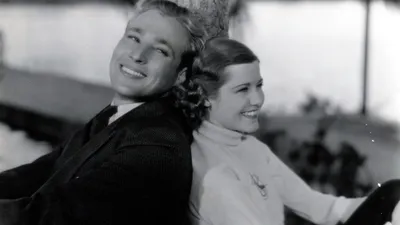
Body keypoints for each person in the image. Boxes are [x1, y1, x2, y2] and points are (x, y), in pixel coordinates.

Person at [0, 1, 207, 224]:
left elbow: (54, 216)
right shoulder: (121, 115)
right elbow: (44, 169)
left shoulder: (158, 146)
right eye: (134, 37)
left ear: (180, 75)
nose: (138, 55)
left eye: (160, 50)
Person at [171, 37, 400, 225]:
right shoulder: (215, 176)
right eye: (243, 90)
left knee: (394, 192)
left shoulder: (249, 147)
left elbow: (319, 207)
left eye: (259, 85)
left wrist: (391, 211)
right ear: (207, 97)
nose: (257, 99)